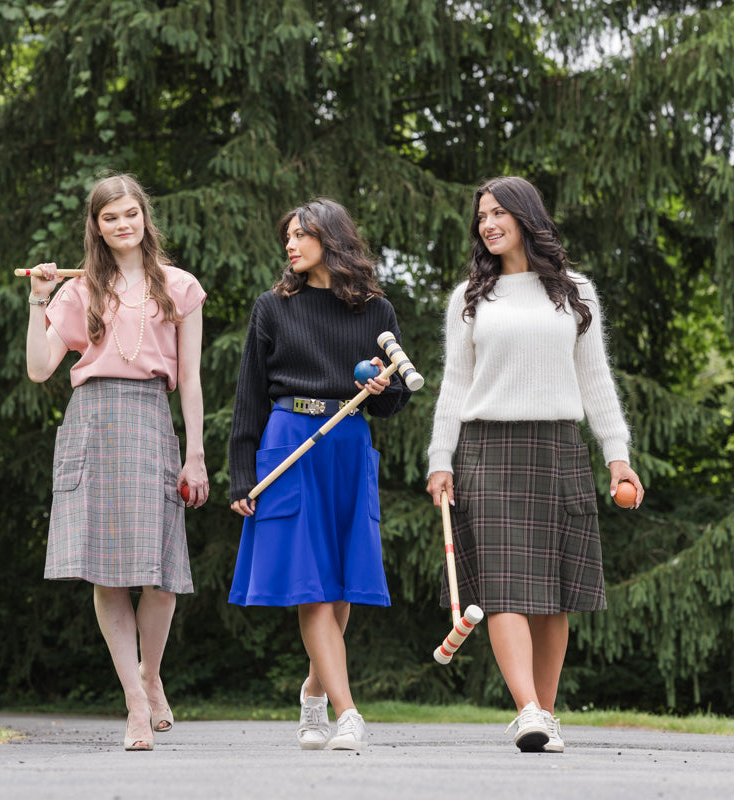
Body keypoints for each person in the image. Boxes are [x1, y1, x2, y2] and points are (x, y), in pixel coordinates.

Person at [425, 176, 644, 754]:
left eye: (499, 213)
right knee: (502, 590)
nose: (489, 224)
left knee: (554, 595)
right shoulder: (471, 298)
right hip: (486, 452)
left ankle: (543, 714)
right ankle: (526, 709)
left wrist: (617, 457)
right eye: (482, 217)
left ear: (526, 217)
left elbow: (596, 380)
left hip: (558, 450)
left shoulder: (575, 293)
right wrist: (439, 459)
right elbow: (454, 384)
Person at [25, 173, 208, 752]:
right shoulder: (79, 291)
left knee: (159, 573)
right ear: (97, 226)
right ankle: (133, 700)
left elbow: (193, 378)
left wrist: (196, 453)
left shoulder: (180, 287)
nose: (122, 224)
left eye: (130, 213)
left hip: (152, 419)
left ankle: (152, 674)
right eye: (110, 217)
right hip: (94, 420)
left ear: (143, 218)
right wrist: (38, 298)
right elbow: (38, 368)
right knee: (106, 572)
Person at [227, 198, 411, 751]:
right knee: (312, 589)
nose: (291, 244)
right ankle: (348, 712)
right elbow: (249, 395)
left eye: (302, 234)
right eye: (288, 235)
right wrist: (241, 473)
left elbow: (394, 399)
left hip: (348, 444)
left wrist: (383, 387)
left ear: (332, 239)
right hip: (287, 442)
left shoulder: (375, 310)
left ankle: (314, 693)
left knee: (340, 584)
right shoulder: (272, 306)